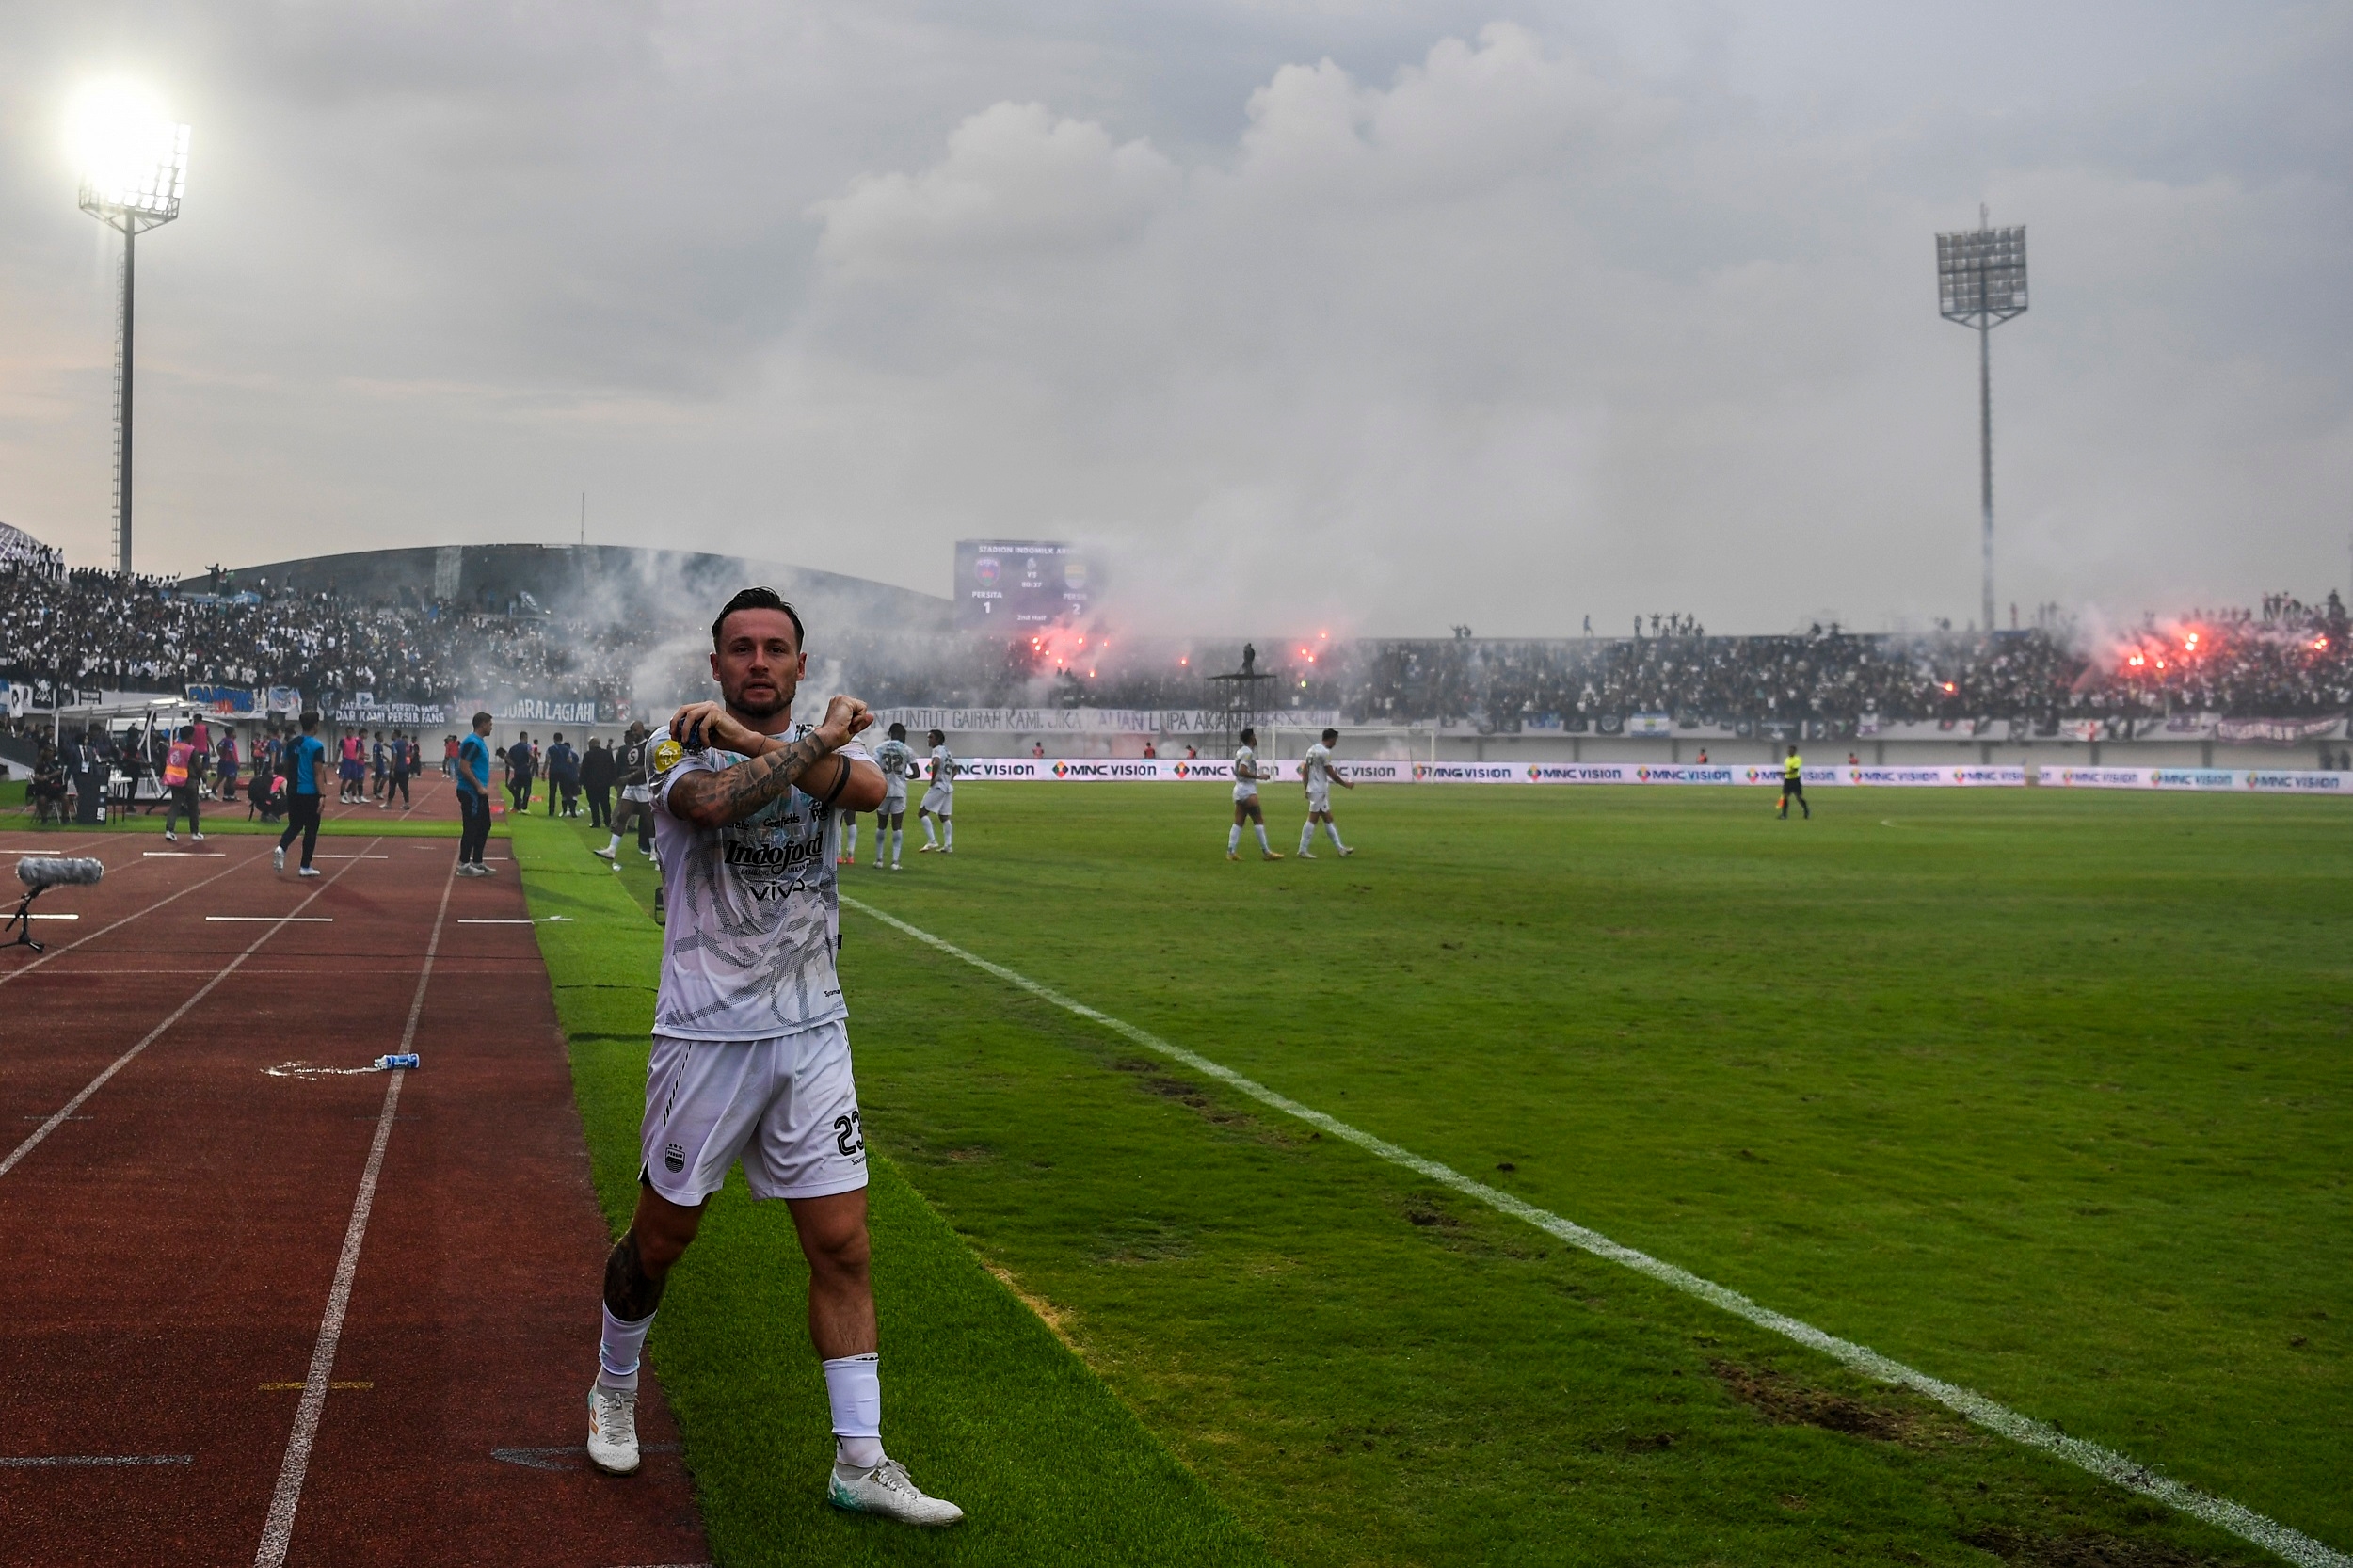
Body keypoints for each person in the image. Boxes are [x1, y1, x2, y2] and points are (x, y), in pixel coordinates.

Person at [584, 587, 962, 1527]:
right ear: (714, 666)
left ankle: (860, 1460)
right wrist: (803, 744)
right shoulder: (674, 743)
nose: (757, 661)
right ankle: (612, 1384)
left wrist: (777, 742)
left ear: (799, 661)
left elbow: (868, 793)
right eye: (740, 649)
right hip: (705, 1035)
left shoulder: (842, 745)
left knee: (841, 1243)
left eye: (775, 648)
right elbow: (713, 806)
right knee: (662, 1241)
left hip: (811, 1030)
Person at [275, 712, 329, 876]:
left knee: (295, 825)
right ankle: (305, 866)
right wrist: (322, 795)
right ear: (314, 725)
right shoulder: (316, 746)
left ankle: (281, 847)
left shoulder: (291, 744)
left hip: (293, 791)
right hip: (310, 792)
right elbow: (318, 772)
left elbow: (286, 766)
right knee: (311, 829)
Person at [596, 722, 656, 868]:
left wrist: (628, 777)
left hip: (642, 786)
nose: (633, 733)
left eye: (635, 730)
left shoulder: (648, 746)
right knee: (622, 816)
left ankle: (655, 851)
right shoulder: (633, 747)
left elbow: (647, 766)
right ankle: (612, 849)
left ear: (641, 729)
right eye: (631, 731)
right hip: (631, 787)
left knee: (648, 820)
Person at [1295, 728, 1354, 859]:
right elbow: (1331, 773)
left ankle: (1340, 848)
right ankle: (1302, 850)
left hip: (1314, 789)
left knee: (1328, 818)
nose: (1335, 743)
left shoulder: (1311, 750)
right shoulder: (1324, 753)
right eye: (1335, 740)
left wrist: (1306, 787)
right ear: (1331, 739)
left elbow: (1305, 770)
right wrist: (1346, 785)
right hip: (1319, 790)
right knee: (1313, 819)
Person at [1227, 727, 1281, 861]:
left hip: (1238, 789)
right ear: (1251, 738)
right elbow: (1242, 770)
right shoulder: (1248, 753)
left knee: (1239, 821)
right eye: (1254, 736)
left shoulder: (1241, 751)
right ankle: (1266, 852)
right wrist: (1259, 777)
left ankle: (1231, 851)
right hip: (1247, 791)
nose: (1256, 738)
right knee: (1258, 820)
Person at [870, 723, 915, 871]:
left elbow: (872, 767)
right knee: (897, 826)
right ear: (902, 735)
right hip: (899, 791)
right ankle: (895, 862)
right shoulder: (907, 750)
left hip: (883, 789)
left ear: (890, 733)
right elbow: (917, 772)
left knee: (881, 825)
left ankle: (879, 860)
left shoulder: (880, 748)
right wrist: (905, 775)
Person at [456, 712, 495, 874]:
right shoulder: (472, 742)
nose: (491, 727)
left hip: (478, 792)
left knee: (484, 825)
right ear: (483, 724)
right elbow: (464, 767)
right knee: (471, 827)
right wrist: (478, 786)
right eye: (490, 724)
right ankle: (464, 865)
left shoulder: (479, 742)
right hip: (470, 791)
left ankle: (477, 861)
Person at [161, 726, 206, 843]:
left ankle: (169, 830)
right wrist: (202, 774)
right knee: (193, 808)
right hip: (189, 780)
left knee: (175, 805)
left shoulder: (173, 748)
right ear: (190, 735)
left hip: (175, 780)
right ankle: (194, 832)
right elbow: (197, 767)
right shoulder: (192, 750)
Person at [917, 729, 957, 854]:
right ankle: (948, 845)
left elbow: (937, 763)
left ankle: (932, 841)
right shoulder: (947, 751)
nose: (928, 739)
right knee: (944, 816)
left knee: (922, 812)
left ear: (938, 739)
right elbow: (955, 768)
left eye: (931, 737)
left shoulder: (937, 750)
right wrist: (950, 779)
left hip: (939, 786)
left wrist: (933, 778)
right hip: (947, 787)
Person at [582, 737, 616, 828]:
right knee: (605, 803)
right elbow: (612, 767)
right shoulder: (607, 754)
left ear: (591, 744)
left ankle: (596, 822)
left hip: (591, 783)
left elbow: (584, 770)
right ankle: (608, 821)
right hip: (604, 783)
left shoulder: (588, 755)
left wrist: (582, 782)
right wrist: (612, 780)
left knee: (593, 803)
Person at [548, 732, 581, 817]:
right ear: (561, 739)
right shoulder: (566, 749)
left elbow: (547, 760)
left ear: (554, 739)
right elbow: (570, 760)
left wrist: (544, 771)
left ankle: (551, 811)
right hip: (563, 771)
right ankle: (573, 811)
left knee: (552, 792)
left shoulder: (550, 749)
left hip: (553, 771)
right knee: (567, 792)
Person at [507, 730, 536, 812]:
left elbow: (507, 757)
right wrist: (530, 763)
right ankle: (524, 807)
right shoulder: (527, 746)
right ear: (525, 738)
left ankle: (517, 806)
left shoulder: (514, 748)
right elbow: (532, 756)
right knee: (527, 789)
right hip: (526, 771)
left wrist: (513, 765)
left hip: (517, 771)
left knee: (518, 789)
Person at [1778, 744, 1809, 820]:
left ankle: (1806, 811)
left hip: (1795, 780)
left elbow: (1795, 770)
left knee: (1798, 797)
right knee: (1785, 797)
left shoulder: (1797, 759)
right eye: (1788, 750)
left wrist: (1784, 773)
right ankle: (1784, 815)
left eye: (1791, 750)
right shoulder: (1786, 760)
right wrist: (1785, 774)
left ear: (1794, 751)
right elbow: (1788, 769)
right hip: (1788, 780)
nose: (1789, 751)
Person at [385, 729, 412, 808]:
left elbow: (395, 756)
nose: (391, 735)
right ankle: (407, 803)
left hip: (396, 768)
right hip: (404, 768)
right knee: (404, 787)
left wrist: (392, 769)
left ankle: (388, 803)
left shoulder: (394, 744)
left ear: (395, 734)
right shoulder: (403, 743)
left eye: (392, 734)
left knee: (392, 786)